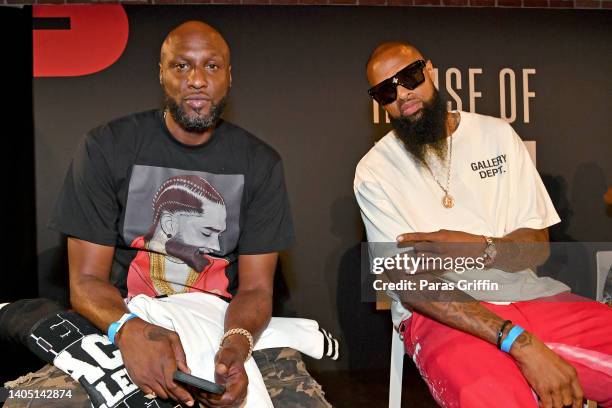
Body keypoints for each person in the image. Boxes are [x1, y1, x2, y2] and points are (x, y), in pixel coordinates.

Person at [3, 20, 331, 408]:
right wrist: (130, 331)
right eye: (181, 66)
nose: (197, 79)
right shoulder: (107, 147)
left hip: (220, 326)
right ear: (162, 73)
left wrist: (236, 346)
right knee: (32, 402)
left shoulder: (259, 163)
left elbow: (257, 289)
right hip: (123, 322)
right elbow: (86, 281)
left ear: (229, 76)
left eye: (211, 66)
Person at [354, 42, 612, 407]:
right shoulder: (375, 171)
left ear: (429, 69)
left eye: (409, 76)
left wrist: (481, 248)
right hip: (442, 316)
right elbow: (409, 284)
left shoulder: (497, 135)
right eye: (386, 91)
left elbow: (537, 245)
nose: (403, 94)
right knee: (493, 398)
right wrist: (517, 340)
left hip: (531, 295)